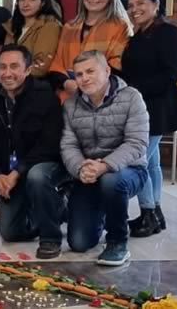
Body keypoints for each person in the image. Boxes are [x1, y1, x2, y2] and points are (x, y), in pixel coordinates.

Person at [0, 45, 68, 259]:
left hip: (44, 164)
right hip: (10, 172)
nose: (7, 73)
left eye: (14, 67)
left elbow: (49, 144)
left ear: (28, 70)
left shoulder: (45, 96)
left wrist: (17, 172)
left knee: (37, 177)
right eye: (2, 67)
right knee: (10, 232)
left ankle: (50, 238)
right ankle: (53, 210)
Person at [61, 51, 148, 266]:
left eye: (91, 71)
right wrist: (81, 167)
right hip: (88, 173)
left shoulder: (131, 97)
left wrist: (105, 165)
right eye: (79, 74)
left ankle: (118, 241)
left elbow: (137, 143)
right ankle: (100, 210)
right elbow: (68, 144)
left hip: (128, 170)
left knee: (111, 180)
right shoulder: (71, 105)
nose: (84, 78)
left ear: (107, 71)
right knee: (79, 242)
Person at [122, 0, 177, 237]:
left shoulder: (168, 32)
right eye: (130, 5)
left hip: (159, 107)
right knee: (151, 163)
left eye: (140, 3)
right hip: (140, 107)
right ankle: (155, 213)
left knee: (138, 160)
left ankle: (148, 213)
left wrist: (135, 90)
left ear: (155, 4)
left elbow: (172, 73)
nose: (134, 9)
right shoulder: (137, 36)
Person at [48, 0, 132, 102]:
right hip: (68, 96)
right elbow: (57, 62)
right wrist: (66, 83)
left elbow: (117, 62)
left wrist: (85, 82)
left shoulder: (119, 26)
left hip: (103, 99)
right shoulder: (69, 27)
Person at [2, 0, 62, 78]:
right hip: (9, 83)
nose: (25, 4)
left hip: (33, 85)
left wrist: (14, 75)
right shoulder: (11, 26)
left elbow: (41, 65)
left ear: (42, 3)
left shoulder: (49, 26)